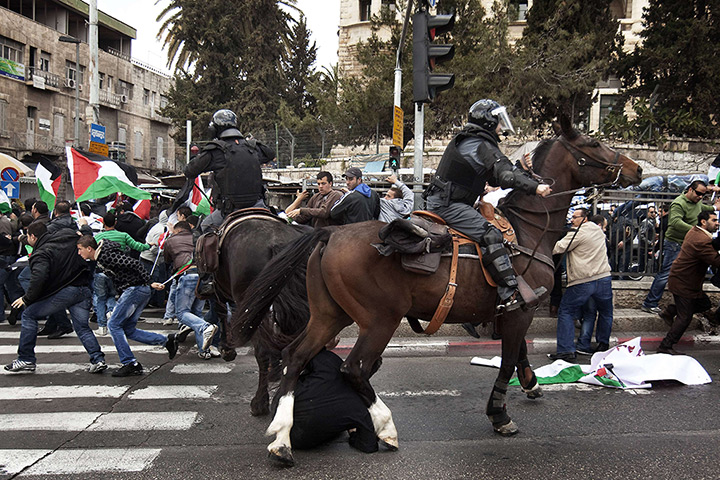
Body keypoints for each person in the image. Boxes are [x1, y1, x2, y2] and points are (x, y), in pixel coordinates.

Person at [424, 99, 551, 311]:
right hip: (450, 205)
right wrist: (535, 188)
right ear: (489, 121)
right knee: (491, 234)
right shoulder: (480, 144)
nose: (501, 125)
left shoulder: (472, 141)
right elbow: (505, 176)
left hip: (450, 201)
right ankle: (510, 292)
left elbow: (496, 176)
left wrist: (524, 173)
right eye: (499, 121)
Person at [4, 222, 106, 373]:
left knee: (29, 315)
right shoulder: (67, 237)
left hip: (66, 291)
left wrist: (27, 298)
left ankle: (26, 358)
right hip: (83, 288)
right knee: (82, 327)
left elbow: (39, 277)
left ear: (33, 236)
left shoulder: (42, 253)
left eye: (28, 236)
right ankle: (97, 359)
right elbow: (78, 232)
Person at [76, 236, 178, 377]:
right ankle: (167, 341)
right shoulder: (103, 255)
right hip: (138, 290)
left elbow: (134, 264)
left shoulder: (106, 256)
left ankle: (130, 363)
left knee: (113, 324)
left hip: (135, 290)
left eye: (80, 249)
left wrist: (149, 282)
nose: (79, 253)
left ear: (89, 248)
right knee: (128, 329)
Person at [273, 349, 379, 453]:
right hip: (302, 441)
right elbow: (369, 446)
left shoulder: (330, 360)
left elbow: (297, 361)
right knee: (337, 425)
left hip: (281, 414)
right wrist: (353, 433)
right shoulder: (359, 409)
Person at [184, 109, 272, 232]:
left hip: (230, 210)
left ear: (215, 129)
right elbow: (270, 154)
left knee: (203, 229)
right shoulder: (253, 147)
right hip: (258, 205)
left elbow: (189, 171)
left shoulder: (216, 151)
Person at [641, 181, 720, 314]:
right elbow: (675, 222)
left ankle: (675, 307)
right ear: (690, 190)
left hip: (686, 243)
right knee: (666, 273)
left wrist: (714, 208)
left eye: (703, 194)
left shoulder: (696, 202)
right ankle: (650, 302)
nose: (701, 197)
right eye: (699, 194)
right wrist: (697, 231)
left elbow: (702, 208)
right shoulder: (679, 203)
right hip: (674, 243)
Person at [547, 208, 613, 362]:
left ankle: (566, 351)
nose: (572, 220)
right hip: (603, 278)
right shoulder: (598, 231)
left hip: (583, 280)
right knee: (606, 312)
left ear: (584, 218)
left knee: (566, 312)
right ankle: (603, 345)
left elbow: (557, 248)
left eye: (575, 217)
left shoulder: (577, 233)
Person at [656, 211, 720, 355]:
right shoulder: (701, 240)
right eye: (714, 220)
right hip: (684, 282)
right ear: (703, 222)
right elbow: (716, 260)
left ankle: (670, 311)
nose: (717, 223)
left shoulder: (696, 231)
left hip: (687, 281)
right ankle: (665, 346)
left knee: (704, 304)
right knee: (685, 317)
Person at [159, 221, 218, 359]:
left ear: (177, 230)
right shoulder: (199, 238)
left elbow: (167, 260)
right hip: (202, 277)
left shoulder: (171, 240)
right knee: (196, 313)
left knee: (181, 313)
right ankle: (204, 351)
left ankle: (205, 327)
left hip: (186, 276)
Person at [637, 206, 658, 273]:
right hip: (644, 248)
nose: (654, 214)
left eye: (655, 212)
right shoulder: (646, 222)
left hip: (650, 247)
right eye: (651, 212)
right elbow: (640, 235)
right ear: (647, 213)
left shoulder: (653, 222)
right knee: (643, 266)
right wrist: (650, 242)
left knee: (652, 265)